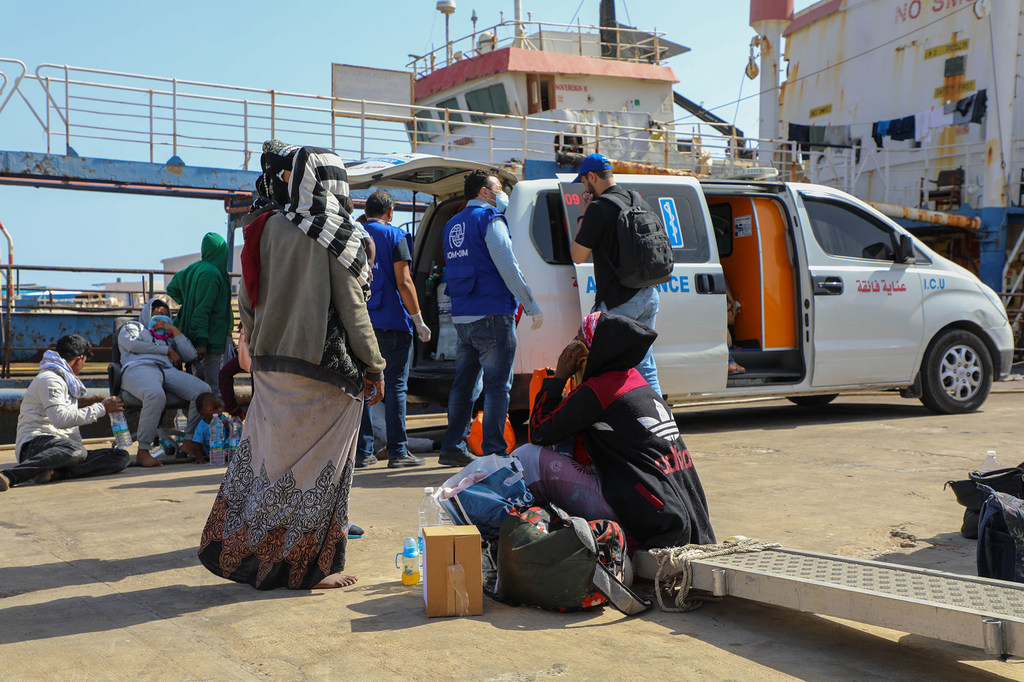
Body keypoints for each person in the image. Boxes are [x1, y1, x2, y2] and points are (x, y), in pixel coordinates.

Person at [198, 140, 385, 590]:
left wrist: (260, 347)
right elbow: (353, 309)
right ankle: (311, 569)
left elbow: (248, 300)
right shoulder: (335, 233)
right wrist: (376, 366)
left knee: (269, 466)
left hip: (269, 367)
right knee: (321, 473)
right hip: (323, 373)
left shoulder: (265, 227)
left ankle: (251, 556)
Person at [516, 312, 715, 549]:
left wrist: (559, 376)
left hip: (642, 513)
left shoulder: (600, 389)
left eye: (579, 339)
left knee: (526, 457)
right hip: (669, 512)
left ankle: (520, 536)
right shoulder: (635, 380)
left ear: (593, 348)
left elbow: (539, 431)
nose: (572, 345)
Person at [437, 169, 543, 467]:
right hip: (493, 314)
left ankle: (452, 446)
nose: (502, 194)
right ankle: (495, 450)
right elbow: (508, 266)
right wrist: (531, 306)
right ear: (484, 192)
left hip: (463, 317)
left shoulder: (452, 224)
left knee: (465, 384)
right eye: (498, 189)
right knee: (497, 386)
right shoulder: (489, 219)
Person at [570, 153, 662, 395]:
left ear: (592, 177)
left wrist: (583, 214)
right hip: (648, 294)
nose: (584, 188)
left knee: (608, 369)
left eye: (583, 181)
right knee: (644, 365)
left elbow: (577, 256)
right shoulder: (637, 199)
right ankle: (658, 416)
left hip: (618, 301)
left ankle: (617, 418)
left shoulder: (598, 208)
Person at [355, 189, 432, 469]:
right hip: (393, 324)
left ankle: (363, 453)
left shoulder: (354, 235)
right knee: (396, 385)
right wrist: (419, 320)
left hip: (360, 323)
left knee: (362, 386)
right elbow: (404, 282)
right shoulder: (396, 236)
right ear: (390, 212)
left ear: (366, 212)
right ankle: (398, 451)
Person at [0, 334, 129, 491]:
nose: (83, 366)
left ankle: (54, 473)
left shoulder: (67, 380)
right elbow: (60, 419)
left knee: (120, 457)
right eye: (84, 362)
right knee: (76, 450)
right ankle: (10, 475)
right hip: (35, 445)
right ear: (79, 358)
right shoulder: (50, 380)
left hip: (63, 448)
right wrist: (102, 408)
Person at [118, 298, 211, 467]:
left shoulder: (169, 335)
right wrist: (167, 350)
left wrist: (174, 331)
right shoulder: (133, 327)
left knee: (203, 391)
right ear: (148, 314)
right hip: (139, 367)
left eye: (165, 315)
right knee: (155, 394)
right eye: (157, 313)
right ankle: (143, 450)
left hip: (167, 369)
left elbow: (190, 355)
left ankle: (189, 441)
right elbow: (133, 345)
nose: (161, 318)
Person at [167, 231, 234, 397]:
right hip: (211, 340)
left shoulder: (194, 268)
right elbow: (202, 310)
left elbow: (172, 287)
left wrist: (188, 302)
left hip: (191, 337)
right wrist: (202, 341)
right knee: (213, 390)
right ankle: (212, 414)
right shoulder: (212, 273)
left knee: (196, 386)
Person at [189, 392, 222, 461]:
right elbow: (197, 443)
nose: (219, 411)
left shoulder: (223, 419)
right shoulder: (201, 426)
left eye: (220, 407)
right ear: (202, 412)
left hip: (225, 451)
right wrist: (199, 457)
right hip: (212, 454)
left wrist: (228, 426)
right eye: (215, 409)